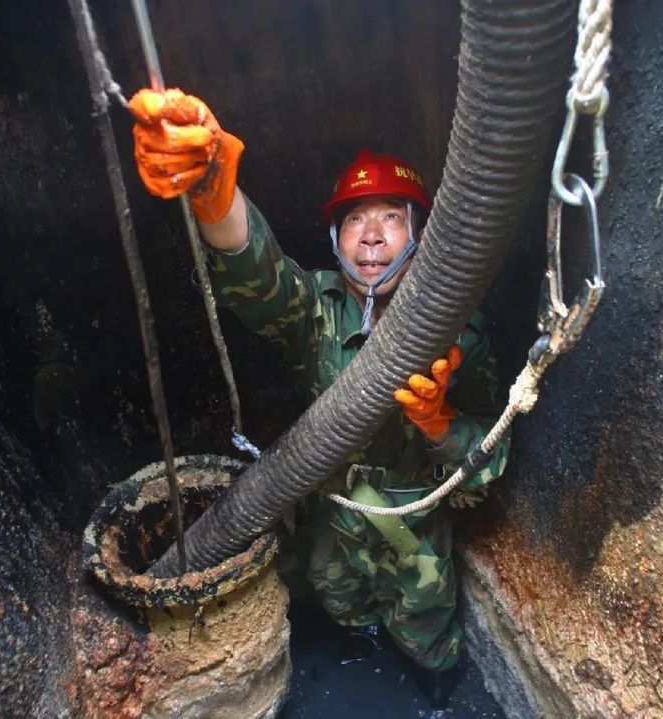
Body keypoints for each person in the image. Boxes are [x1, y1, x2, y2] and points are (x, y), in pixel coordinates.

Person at [128, 87, 510, 706]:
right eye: (355, 219)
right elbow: (260, 275)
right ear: (336, 236)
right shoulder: (317, 306)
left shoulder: (462, 326)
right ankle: (363, 647)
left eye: (389, 216)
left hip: (412, 522)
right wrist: (215, 193)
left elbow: (494, 455)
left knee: (428, 630)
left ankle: (435, 689)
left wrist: (440, 423)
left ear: (419, 232)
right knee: (343, 608)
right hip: (330, 512)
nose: (370, 236)